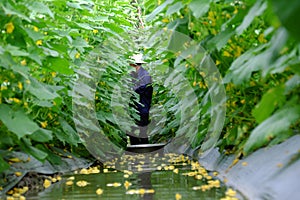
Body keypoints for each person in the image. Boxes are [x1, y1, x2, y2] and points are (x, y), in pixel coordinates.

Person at [128, 54, 153, 145]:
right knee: (133, 131)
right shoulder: (135, 74)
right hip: (137, 108)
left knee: (142, 131)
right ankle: (137, 149)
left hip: (142, 107)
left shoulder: (145, 75)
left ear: (134, 65)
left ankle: (143, 151)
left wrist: (131, 90)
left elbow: (143, 89)